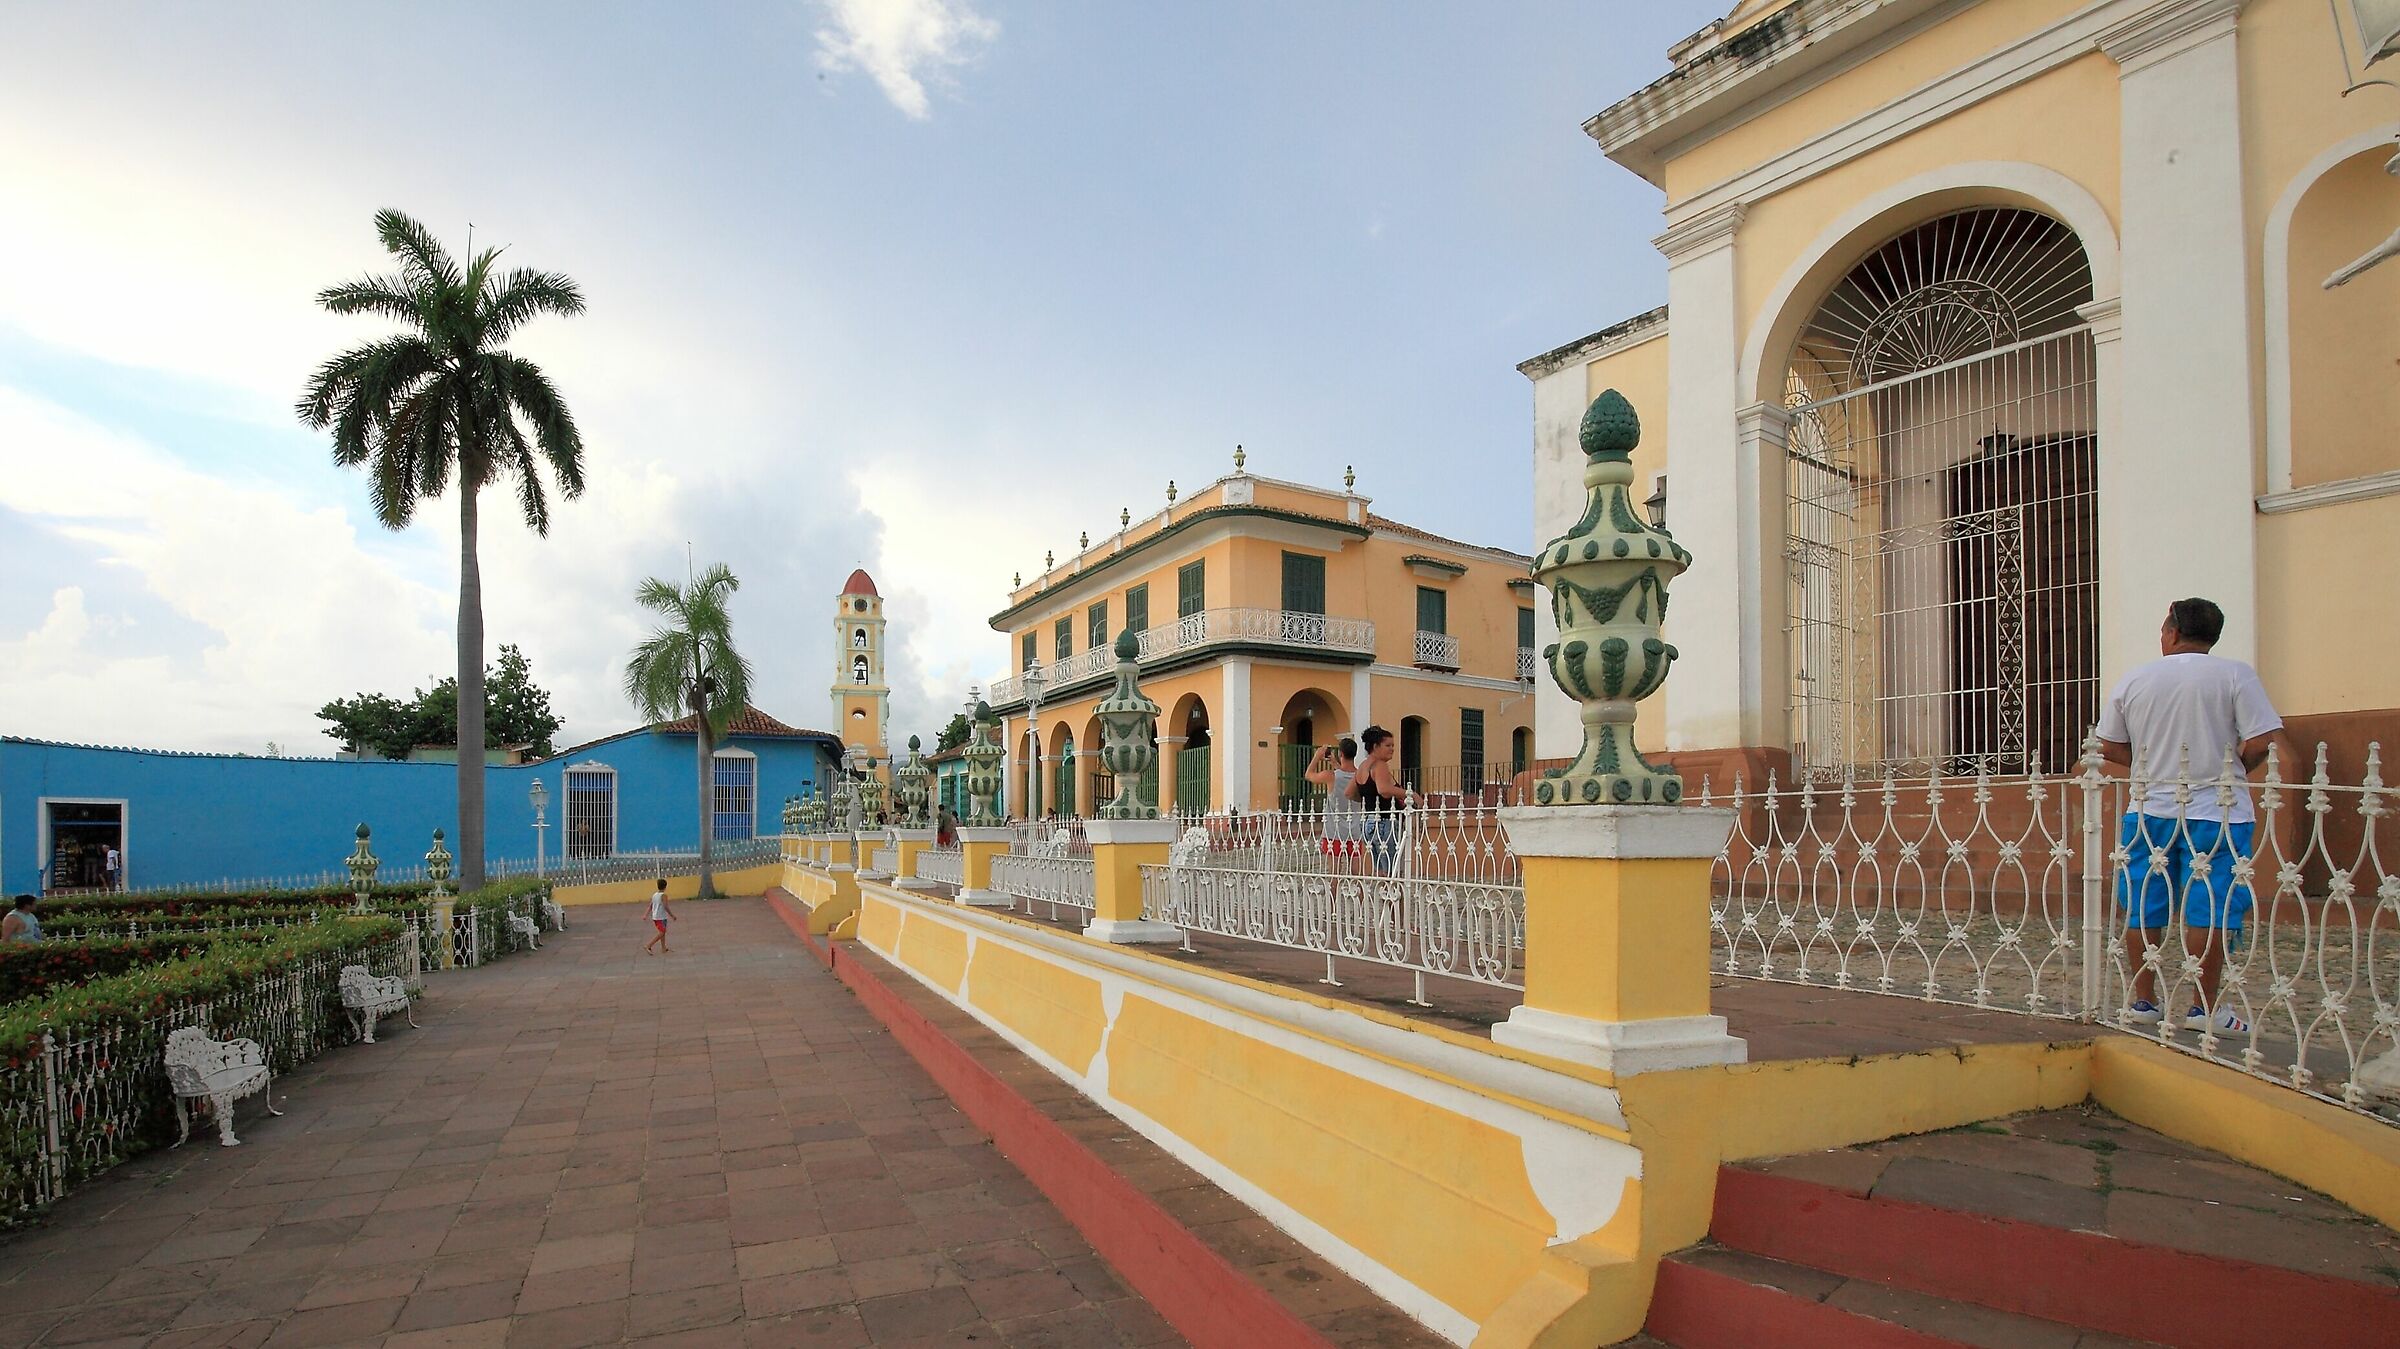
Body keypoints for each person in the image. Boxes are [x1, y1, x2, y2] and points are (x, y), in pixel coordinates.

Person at [2095, 598, 2283, 1035]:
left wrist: (2148, 765)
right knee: (2210, 906)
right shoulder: (2235, 675)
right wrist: (2236, 768)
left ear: (2173, 632)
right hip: (2219, 811)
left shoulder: (2137, 678)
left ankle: (2144, 1000)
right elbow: (2262, 739)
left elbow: (2109, 744)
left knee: (2143, 903)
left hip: (2150, 809)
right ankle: (2204, 1009)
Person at [1349, 725, 1415, 875]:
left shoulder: (1362, 767)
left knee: (1380, 868)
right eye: (1388, 745)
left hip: (1368, 822)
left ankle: (1382, 890)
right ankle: (1394, 891)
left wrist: (1368, 797)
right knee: (1393, 868)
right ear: (1375, 746)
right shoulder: (1380, 765)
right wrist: (1410, 794)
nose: (1392, 749)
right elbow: (1384, 790)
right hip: (1385, 822)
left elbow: (1350, 793)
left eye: (1393, 745)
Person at [1304, 739, 1364, 871]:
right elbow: (1346, 775)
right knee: (1357, 873)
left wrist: (1317, 756)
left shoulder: (1330, 776)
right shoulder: (1360, 776)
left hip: (1333, 831)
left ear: (1341, 753)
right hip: (1355, 831)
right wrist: (1336, 764)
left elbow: (1309, 775)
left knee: (1334, 872)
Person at [643, 878, 677, 955]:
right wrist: (672, 915)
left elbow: (650, 906)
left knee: (662, 932)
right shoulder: (664, 895)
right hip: (660, 917)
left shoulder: (654, 895)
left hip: (657, 916)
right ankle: (649, 945)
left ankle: (663, 948)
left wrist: (646, 914)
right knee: (662, 932)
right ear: (665, 886)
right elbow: (665, 906)